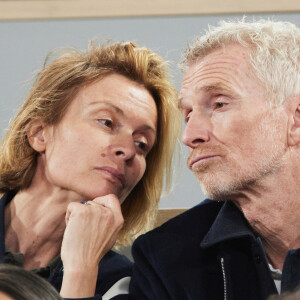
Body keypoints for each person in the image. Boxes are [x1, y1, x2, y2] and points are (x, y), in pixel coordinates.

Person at [129, 19, 300, 299]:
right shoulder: (164, 258)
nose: (189, 136)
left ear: (295, 119)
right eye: (188, 115)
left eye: (219, 104)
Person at [0, 41, 180, 299]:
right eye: (106, 122)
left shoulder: (128, 284)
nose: (128, 150)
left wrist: (82, 269)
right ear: (40, 134)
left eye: (141, 144)